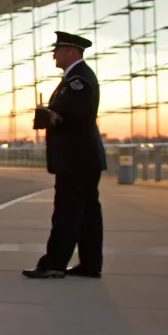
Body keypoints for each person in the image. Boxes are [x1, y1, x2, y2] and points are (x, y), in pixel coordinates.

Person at [23, 31, 107, 279]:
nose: (53, 55)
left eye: (57, 51)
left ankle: (54, 264)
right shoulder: (77, 78)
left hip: (76, 159)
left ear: (71, 52)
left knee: (67, 212)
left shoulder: (78, 80)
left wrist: (49, 115)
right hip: (82, 159)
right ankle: (90, 265)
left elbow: (74, 115)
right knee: (87, 214)